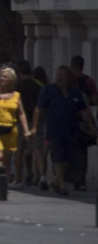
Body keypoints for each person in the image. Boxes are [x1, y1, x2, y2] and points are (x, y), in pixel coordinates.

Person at [37, 64, 96, 195]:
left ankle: (58, 180)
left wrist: (91, 127)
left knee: (69, 161)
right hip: (54, 132)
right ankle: (62, 186)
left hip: (71, 132)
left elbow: (84, 111)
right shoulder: (48, 90)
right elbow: (38, 109)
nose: (59, 77)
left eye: (62, 75)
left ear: (68, 77)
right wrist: (34, 127)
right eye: (58, 75)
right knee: (58, 158)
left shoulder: (76, 93)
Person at [0, 65, 30, 182]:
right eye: (0, 76)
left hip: (11, 130)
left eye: (4, 77)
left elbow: (21, 113)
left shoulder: (16, 95)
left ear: (11, 79)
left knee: (7, 159)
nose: (1, 79)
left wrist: (25, 130)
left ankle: (6, 179)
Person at [15, 61, 45, 189]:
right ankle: (42, 176)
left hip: (21, 121)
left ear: (19, 72)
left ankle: (18, 178)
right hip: (36, 120)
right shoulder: (38, 86)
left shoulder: (17, 86)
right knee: (37, 149)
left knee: (19, 151)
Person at [71, 56, 96, 191]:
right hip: (83, 121)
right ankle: (81, 180)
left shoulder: (68, 81)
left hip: (70, 119)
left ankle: (72, 177)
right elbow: (94, 100)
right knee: (82, 151)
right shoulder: (89, 81)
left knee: (70, 149)